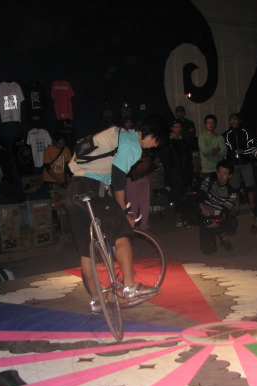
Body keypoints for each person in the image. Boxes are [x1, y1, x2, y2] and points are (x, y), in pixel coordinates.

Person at [64, 115, 169, 313]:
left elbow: (109, 181)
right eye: (157, 140)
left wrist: (115, 205)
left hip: (73, 192)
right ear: (151, 133)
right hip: (92, 188)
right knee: (122, 233)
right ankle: (130, 286)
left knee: (86, 251)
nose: (155, 145)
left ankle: (96, 299)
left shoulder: (117, 134)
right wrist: (123, 211)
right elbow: (119, 178)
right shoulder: (132, 144)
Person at [197, 160, 237, 254]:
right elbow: (199, 196)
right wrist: (204, 209)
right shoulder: (208, 181)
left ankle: (224, 235)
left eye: (225, 173)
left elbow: (225, 210)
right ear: (216, 172)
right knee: (207, 251)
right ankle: (211, 234)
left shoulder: (231, 193)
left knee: (233, 221)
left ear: (230, 176)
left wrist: (217, 222)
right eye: (219, 172)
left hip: (218, 217)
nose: (221, 176)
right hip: (205, 215)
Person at [160, 120, 193, 227]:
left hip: (184, 175)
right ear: (172, 128)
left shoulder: (184, 142)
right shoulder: (168, 143)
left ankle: (185, 217)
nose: (178, 129)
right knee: (177, 197)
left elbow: (188, 159)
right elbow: (166, 162)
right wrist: (171, 175)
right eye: (176, 127)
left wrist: (189, 173)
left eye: (179, 127)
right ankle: (179, 217)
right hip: (174, 176)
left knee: (185, 196)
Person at [223, 113, 255, 212]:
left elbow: (252, 147)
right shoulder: (226, 134)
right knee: (235, 188)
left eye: (235, 119)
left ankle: (253, 207)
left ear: (239, 120)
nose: (234, 121)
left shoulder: (246, 132)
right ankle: (237, 209)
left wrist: (243, 151)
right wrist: (232, 155)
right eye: (231, 119)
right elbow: (225, 151)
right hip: (234, 165)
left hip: (246, 163)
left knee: (250, 186)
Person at [198, 114, 227, 179]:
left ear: (215, 125)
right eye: (208, 123)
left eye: (212, 123)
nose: (210, 125)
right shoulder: (202, 137)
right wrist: (216, 149)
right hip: (207, 170)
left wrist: (211, 153)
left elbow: (224, 152)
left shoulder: (220, 138)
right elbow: (205, 151)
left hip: (219, 169)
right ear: (205, 125)